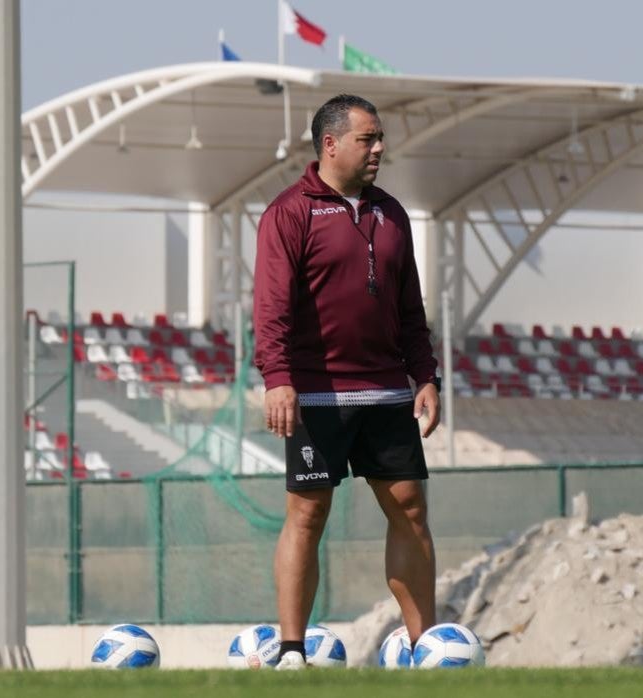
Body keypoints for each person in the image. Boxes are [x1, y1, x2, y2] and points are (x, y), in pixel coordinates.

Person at [253, 94, 441, 670]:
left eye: (380, 137)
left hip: (386, 390)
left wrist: (425, 376)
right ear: (330, 144)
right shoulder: (289, 212)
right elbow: (271, 305)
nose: (380, 147)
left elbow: (410, 308)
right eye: (369, 138)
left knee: (410, 509)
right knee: (307, 513)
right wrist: (278, 378)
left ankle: (425, 647)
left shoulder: (392, 213)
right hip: (314, 392)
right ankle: (291, 650)